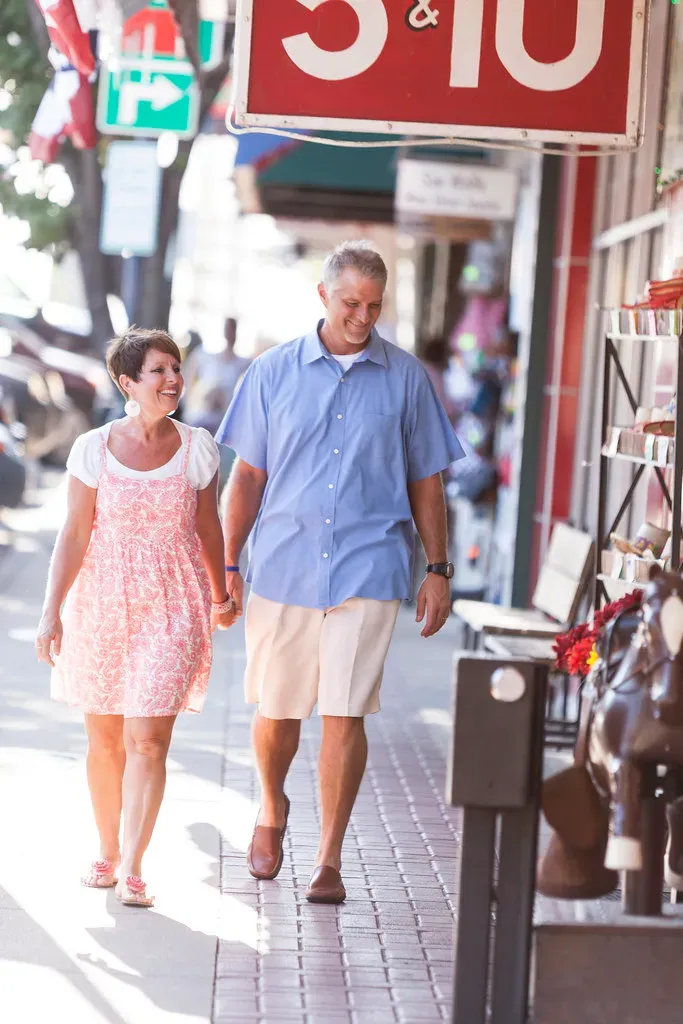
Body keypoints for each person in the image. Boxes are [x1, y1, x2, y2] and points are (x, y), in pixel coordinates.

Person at [216, 241, 464, 904]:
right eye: (351, 302)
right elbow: (246, 476)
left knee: (344, 712)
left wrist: (436, 569)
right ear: (323, 296)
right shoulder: (271, 373)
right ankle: (271, 808)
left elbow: (426, 483)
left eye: (373, 305)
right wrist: (227, 562)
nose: (362, 316)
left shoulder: (407, 379)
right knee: (277, 710)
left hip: (370, 566)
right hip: (283, 565)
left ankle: (328, 859)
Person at [35, 327, 236, 907]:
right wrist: (52, 613)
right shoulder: (93, 449)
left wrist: (221, 596)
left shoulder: (198, 448)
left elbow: (207, 527)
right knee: (105, 739)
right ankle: (108, 849)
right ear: (128, 382)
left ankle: (136, 866)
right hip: (102, 599)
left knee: (148, 738)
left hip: (174, 603)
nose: (173, 379)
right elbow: (74, 533)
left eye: (176, 368)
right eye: (159, 371)